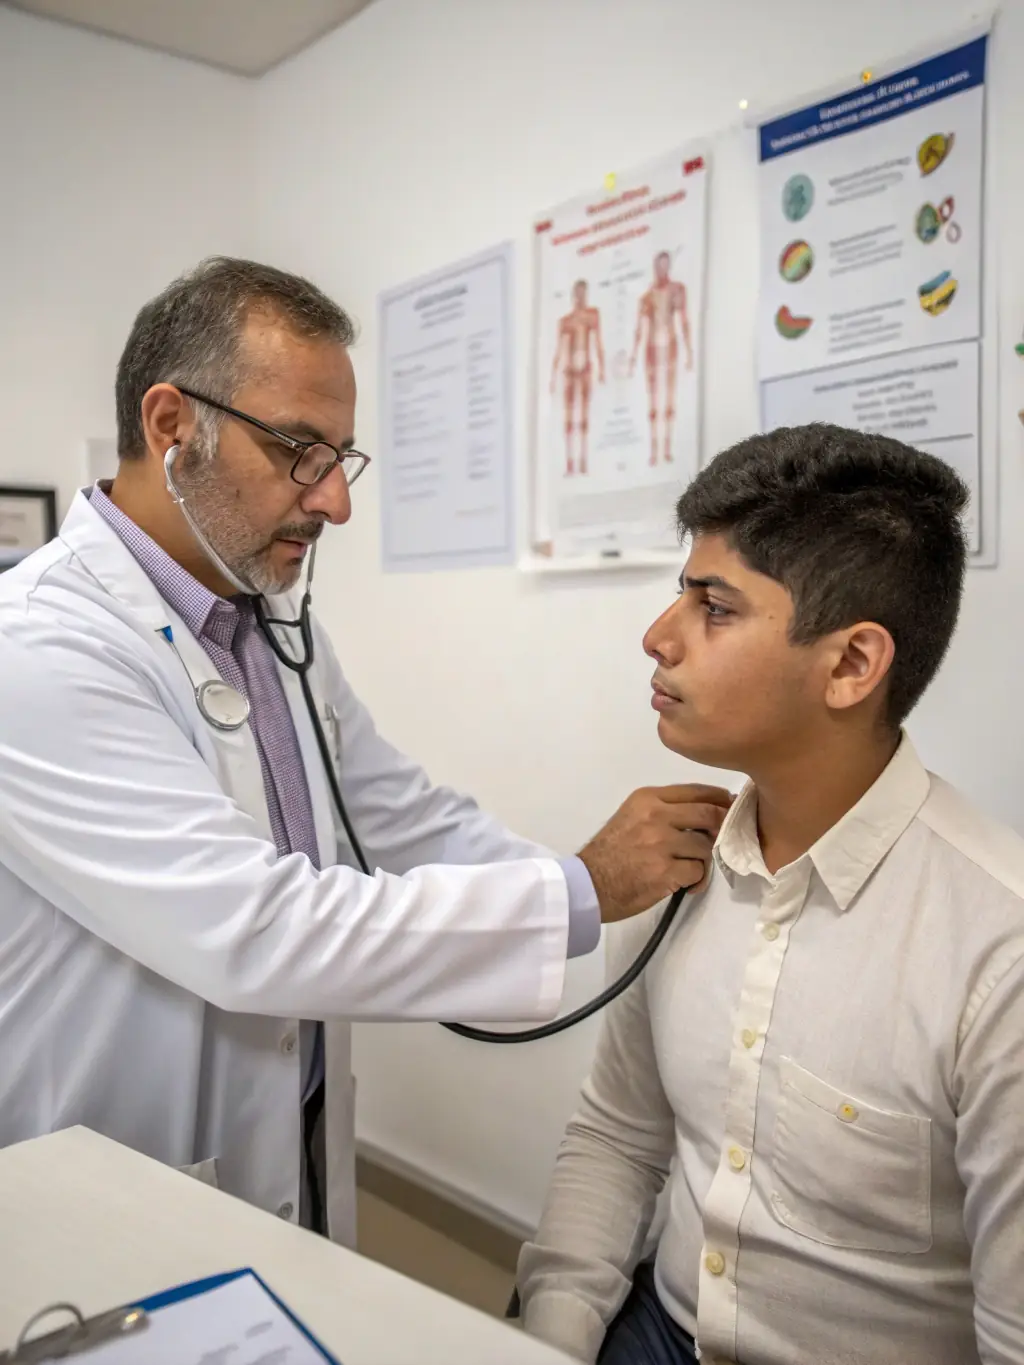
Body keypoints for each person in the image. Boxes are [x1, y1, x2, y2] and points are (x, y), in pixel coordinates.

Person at [0, 258, 730, 1246]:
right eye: (301, 451)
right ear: (170, 427)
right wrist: (581, 889)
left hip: (278, 1126)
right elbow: (254, 930)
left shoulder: (263, 620)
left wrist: (586, 885)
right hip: (107, 1168)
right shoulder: (38, 649)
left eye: (342, 457)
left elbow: (394, 813)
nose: (335, 501)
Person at [518, 424, 1024, 1365]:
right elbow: (619, 1137)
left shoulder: (998, 951)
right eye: (683, 590)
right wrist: (549, 1341)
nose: (658, 636)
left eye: (714, 607)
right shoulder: (679, 862)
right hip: (655, 1332)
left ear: (850, 665)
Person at [628, 252, 692, 467]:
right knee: (654, 402)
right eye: (658, 266)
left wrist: (690, 352)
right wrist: (631, 358)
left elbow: (684, 321)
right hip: (652, 348)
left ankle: (667, 450)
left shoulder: (677, 290)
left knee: (670, 399)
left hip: (670, 345)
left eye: (665, 266)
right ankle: (654, 451)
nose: (661, 270)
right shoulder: (646, 297)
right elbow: (639, 329)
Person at [551, 279, 605, 476]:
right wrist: (553, 376)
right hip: (570, 372)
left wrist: (602, 368)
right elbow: (559, 349)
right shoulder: (566, 321)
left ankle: (583, 460)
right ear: (574, 295)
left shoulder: (591, 316)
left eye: (584, 293)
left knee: (583, 417)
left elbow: (597, 342)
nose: (581, 297)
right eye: (578, 293)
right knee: (569, 418)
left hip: (585, 371)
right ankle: (569, 462)